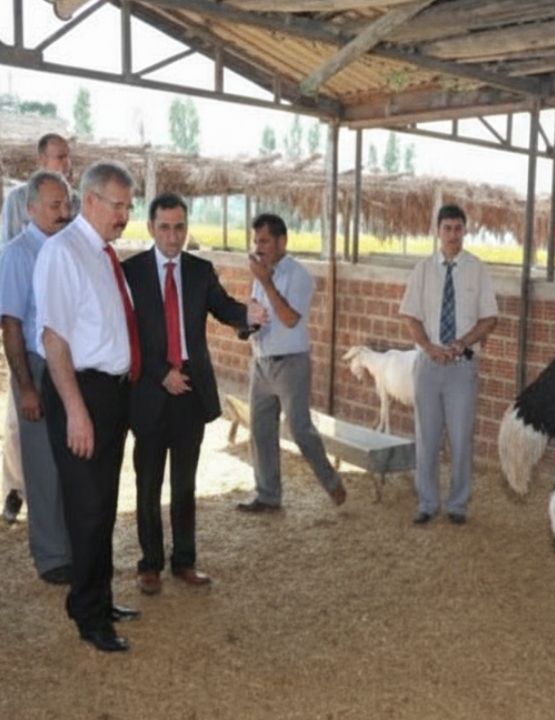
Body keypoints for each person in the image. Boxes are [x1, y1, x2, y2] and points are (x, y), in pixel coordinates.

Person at [123, 193, 262, 594]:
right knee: (148, 483)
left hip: (190, 391)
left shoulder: (200, 271)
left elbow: (224, 307)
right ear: (151, 228)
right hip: (150, 391)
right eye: (164, 227)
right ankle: (149, 564)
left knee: (184, 483)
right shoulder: (131, 273)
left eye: (179, 226)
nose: (172, 235)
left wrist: (248, 318)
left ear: (186, 227)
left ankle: (184, 560)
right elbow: (127, 336)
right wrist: (159, 372)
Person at [34, 160, 140, 652]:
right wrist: (76, 410)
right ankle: (89, 614)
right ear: (92, 201)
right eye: (118, 205)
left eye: (127, 205)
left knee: (102, 505)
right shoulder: (63, 253)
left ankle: (98, 596)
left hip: (111, 393)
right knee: (88, 509)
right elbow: (54, 339)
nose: (125, 214)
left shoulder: (101, 252)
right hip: (82, 392)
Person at [0, 170, 74, 585]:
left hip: (74, 368)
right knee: (42, 466)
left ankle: (74, 545)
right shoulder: (17, 254)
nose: (63, 213)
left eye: (66, 204)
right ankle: (51, 556)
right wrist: (25, 386)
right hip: (38, 367)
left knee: (72, 461)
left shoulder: (72, 248)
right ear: (30, 210)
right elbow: (10, 324)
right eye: (53, 206)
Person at [237, 213, 346, 513]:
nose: (258, 247)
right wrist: (248, 322)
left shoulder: (297, 275)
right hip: (261, 361)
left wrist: (266, 282)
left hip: (291, 364)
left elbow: (289, 318)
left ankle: (331, 480)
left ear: (282, 241)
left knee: (299, 429)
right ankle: (268, 496)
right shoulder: (261, 274)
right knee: (260, 431)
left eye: (265, 241)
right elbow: (261, 311)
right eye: (256, 240)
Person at [398, 204, 498, 525]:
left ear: (464, 232)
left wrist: (462, 343)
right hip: (427, 366)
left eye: (458, 229)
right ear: (438, 232)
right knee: (426, 437)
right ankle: (427, 503)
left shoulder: (477, 270)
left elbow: (489, 318)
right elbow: (410, 316)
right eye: (447, 229)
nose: (453, 235)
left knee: (461, 436)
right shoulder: (423, 270)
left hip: (461, 367)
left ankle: (457, 504)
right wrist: (428, 347)